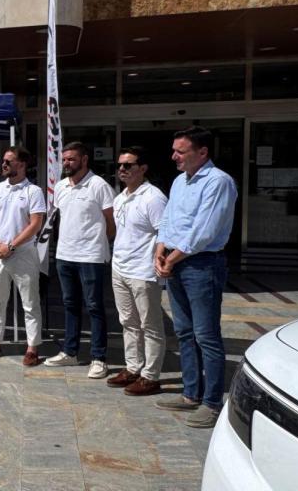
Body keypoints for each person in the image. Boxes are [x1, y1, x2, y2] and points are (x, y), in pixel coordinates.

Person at [154, 126, 237, 428]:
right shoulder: (179, 182)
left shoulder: (218, 182)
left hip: (202, 265)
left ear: (202, 152)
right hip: (176, 262)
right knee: (185, 333)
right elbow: (169, 219)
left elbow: (204, 231)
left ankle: (212, 402)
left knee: (206, 335)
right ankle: (191, 393)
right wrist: (160, 250)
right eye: (174, 150)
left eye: (180, 151)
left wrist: (171, 259)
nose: (173, 156)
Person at [44, 141, 115, 379]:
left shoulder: (99, 185)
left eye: (72, 159)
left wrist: (99, 244)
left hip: (91, 256)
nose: (66, 163)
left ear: (84, 160)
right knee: (70, 305)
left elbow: (111, 223)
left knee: (94, 307)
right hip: (65, 255)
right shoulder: (61, 187)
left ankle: (98, 358)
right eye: (64, 159)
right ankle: (70, 352)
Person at [108, 147, 168, 396]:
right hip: (120, 268)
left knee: (150, 325)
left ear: (142, 168)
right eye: (120, 165)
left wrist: (159, 260)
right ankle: (133, 367)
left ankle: (151, 376)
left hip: (143, 272)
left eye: (128, 165)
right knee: (128, 322)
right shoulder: (120, 197)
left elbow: (164, 233)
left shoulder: (153, 197)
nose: (122, 169)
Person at [0, 146, 45, 366]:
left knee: (30, 302)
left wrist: (12, 246)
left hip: (23, 254)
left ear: (22, 164)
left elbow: (36, 223)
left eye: (9, 161)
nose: (4, 164)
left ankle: (32, 347)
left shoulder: (33, 191)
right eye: (4, 161)